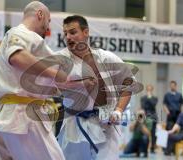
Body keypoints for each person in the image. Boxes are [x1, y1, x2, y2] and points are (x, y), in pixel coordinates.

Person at [0, 1, 85, 159]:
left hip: (8, 116)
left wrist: (79, 83)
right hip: (23, 116)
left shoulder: (33, 41)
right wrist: (54, 73)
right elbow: (17, 57)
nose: (48, 27)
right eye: (48, 21)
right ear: (40, 15)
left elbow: (56, 81)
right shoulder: (20, 33)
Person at [56, 15, 135, 160]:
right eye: (65, 33)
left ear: (86, 32)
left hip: (106, 123)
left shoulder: (106, 58)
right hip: (74, 124)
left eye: (73, 32)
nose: (68, 37)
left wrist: (118, 110)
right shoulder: (58, 60)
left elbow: (129, 84)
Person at [140, 84, 158, 153]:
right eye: (148, 89)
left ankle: (152, 148)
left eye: (150, 89)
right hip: (145, 117)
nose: (149, 91)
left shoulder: (155, 98)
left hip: (153, 117)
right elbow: (143, 106)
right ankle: (144, 148)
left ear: (152, 90)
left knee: (153, 133)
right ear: (146, 90)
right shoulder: (143, 98)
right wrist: (148, 98)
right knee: (144, 133)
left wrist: (149, 97)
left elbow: (153, 104)